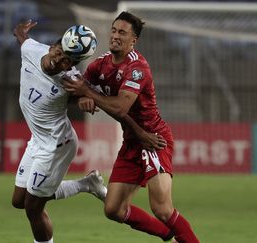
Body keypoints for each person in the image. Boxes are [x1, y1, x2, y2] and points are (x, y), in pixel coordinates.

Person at [63, 12, 200, 243]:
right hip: (132, 142)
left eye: (122, 33)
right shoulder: (100, 64)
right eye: (114, 30)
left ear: (133, 40)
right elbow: (78, 88)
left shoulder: (138, 68)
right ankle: (170, 237)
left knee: (162, 209)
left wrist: (88, 93)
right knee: (113, 209)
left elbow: (119, 108)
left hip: (153, 140)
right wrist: (81, 98)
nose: (115, 36)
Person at [10, 20, 108, 243]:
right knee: (19, 200)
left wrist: (86, 98)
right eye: (60, 52)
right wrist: (21, 30)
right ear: (53, 45)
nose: (60, 60)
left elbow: (90, 95)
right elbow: (21, 37)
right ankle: (86, 184)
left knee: (33, 207)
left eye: (67, 61)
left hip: (56, 145)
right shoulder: (32, 49)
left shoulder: (70, 80)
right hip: (38, 139)